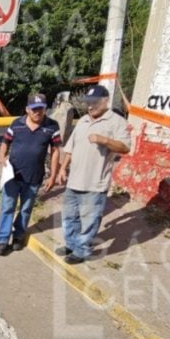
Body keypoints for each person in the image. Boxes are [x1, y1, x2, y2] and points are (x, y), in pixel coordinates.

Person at [57, 85, 132, 264]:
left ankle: (82, 251)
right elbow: (70, 148)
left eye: (95, 102)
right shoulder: (83, 120)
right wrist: (62, 169)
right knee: (69, 217)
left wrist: (104, 140)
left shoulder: (116, 121)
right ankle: (71, 244)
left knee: (89, 220)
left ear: (105, 101)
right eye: (88, 102)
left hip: (94, 183)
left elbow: (125, 147)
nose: (90, 106)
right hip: (73, 180)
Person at [0, 93, 61, 256]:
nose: (38, 112)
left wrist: (53, 176)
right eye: (34, 109)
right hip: (12, 175)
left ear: (45, 109)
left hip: (34, 176)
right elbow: (5, 142)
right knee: (7, 207)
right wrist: (2, 157)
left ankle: (18, 236)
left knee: (26, 208)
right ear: (27, 109)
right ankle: (3, 240)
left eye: (41, 109)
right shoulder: (16, 124)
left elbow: (55, 152)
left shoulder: (52, 126)